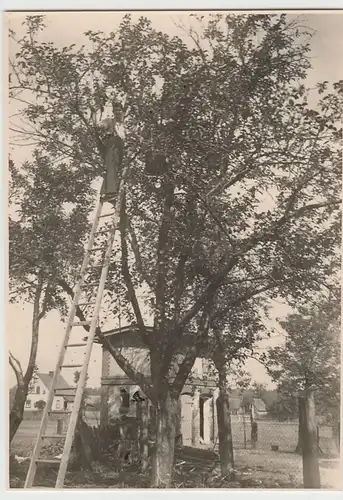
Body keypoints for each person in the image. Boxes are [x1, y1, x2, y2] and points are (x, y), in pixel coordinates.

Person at [100, 102, 125, 204]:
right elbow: (101, 127)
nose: (117, 112)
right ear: (113, 112)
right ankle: (111, 192)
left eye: (119, 110)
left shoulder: (123, 124)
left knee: (116, 169)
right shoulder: (110, 121)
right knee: (111, 167)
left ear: (122, 111)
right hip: (112, 144)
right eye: (115, 110)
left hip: (120, 147)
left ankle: (106, 192)